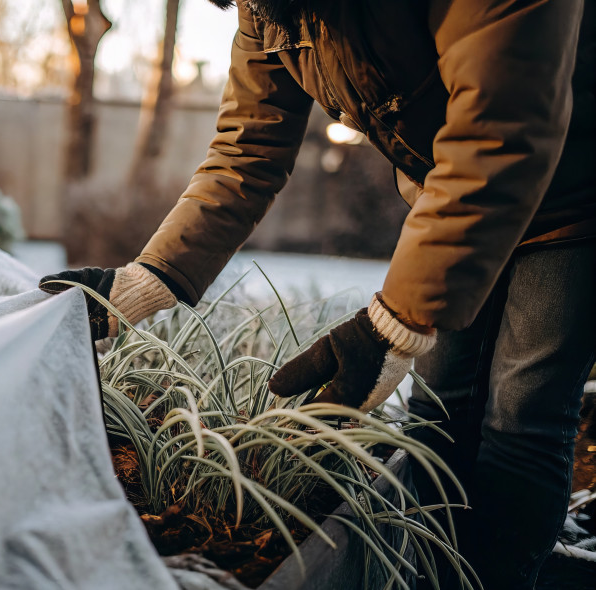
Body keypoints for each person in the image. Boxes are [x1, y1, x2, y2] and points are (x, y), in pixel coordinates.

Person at [40, 0, 595, 588]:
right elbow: (245, 152)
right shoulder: (271, 10)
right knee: (439, 416)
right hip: (455, 200)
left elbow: (501, 132)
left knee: (521, 417)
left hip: (577, 201)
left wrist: (394, 324)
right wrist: (140, 285)